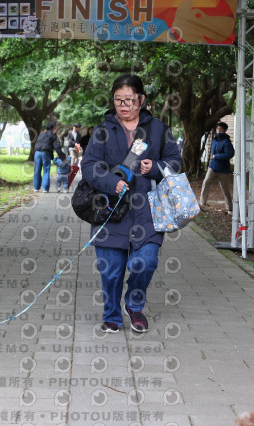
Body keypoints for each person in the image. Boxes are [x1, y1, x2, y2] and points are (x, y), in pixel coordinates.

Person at [80, 74, 182, 334]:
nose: (124, 106)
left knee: (145, 262)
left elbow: (176, 162)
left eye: (130, 100)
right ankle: (112, 316)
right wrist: (110, 182)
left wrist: (155, 167)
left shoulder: (157, 129)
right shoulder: (103, 131)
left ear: (142, 99)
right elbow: (89, 165)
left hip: (147, 212)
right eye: (119, 100)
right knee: (111, 271)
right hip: (109, 210)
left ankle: (134, 306)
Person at [199, 121, 234, 214]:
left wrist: (217, 156)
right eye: (218, 128)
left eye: (221, 129)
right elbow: (212, 154)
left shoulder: (226, 141)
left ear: (225, 130)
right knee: (205, 182)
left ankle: (230, 208)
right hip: (213, 167)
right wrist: (213, 159)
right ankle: (202, 204)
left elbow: (230, 154)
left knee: (225, 189)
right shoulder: (214, 140)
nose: (219, 130)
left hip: (223, 169)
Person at [33, 122, 66, 193]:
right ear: (53, 128)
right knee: (46, 170)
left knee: (37, 170)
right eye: (55, 128)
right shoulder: (53, 136)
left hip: (37, 153)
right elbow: (57, 147)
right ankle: (45, 189)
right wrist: (63, 157)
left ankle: (36, 188)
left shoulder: (42, 133)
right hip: (46, 153)